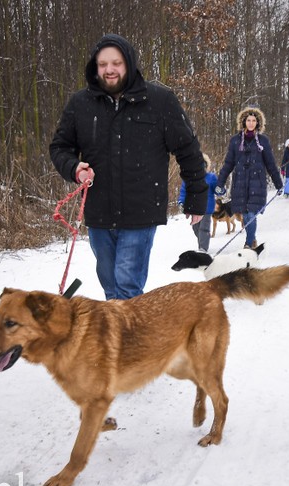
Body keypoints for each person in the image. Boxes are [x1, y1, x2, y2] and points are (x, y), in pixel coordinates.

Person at [49, 34, 207, 300]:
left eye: (116, 63)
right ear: (95, 66)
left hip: (140, 212)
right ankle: (122, 336)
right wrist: (75, 168)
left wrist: (196, 197)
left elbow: (188, 151)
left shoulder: (160, 101)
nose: (109, 69)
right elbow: (59, 147)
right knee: (111, 287)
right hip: (99, 213)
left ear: (129, 64)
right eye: (102, 64)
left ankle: (129, 340)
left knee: (127, 288)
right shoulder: (81, 104)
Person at [215, 107, 283, 249]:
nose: (251, 123)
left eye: (254, 120)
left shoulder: (263, 141)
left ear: (258, 123)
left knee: (252, 213)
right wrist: (220, 183)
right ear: (243, 122)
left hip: (257, 183)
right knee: (245, 215)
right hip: (239, 183)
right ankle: (252, 239)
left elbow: (270, 163)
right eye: (248, 120)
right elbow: (228, 163)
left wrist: (278, 183)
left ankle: (248, 243)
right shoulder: (235, 141)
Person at [178, 154, 217, 252]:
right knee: (196, 229)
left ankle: (203, 249)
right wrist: (181, 202)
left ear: (205, 165)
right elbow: (183, 191)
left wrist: (220, 190)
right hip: (194, 208)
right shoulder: (189, 178)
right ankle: (202, 243)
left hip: (207, 208)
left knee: (204, 229)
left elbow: (218, 189)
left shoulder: (211, 177)